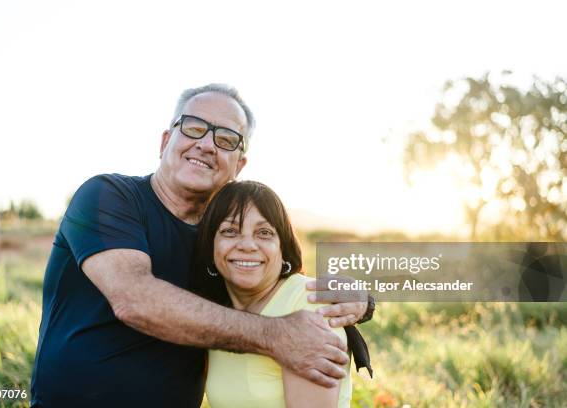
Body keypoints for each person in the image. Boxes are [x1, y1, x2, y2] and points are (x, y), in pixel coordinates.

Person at [30, 84, 371, 407]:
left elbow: (272, 284)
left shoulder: (221, 241)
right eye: (194, 128)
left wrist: (361, 300)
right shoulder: (108, 196)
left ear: (239, 165)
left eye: (226, 139)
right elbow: (134, 300)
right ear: (165, 141)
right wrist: (277, 335)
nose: (207, 144)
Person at [194, 180, 370, 407]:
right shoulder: (218, 313)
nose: (247, 245)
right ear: (210, 245)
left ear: (282, 246)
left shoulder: (310, 306)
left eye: (264, 232)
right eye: (229, 231)